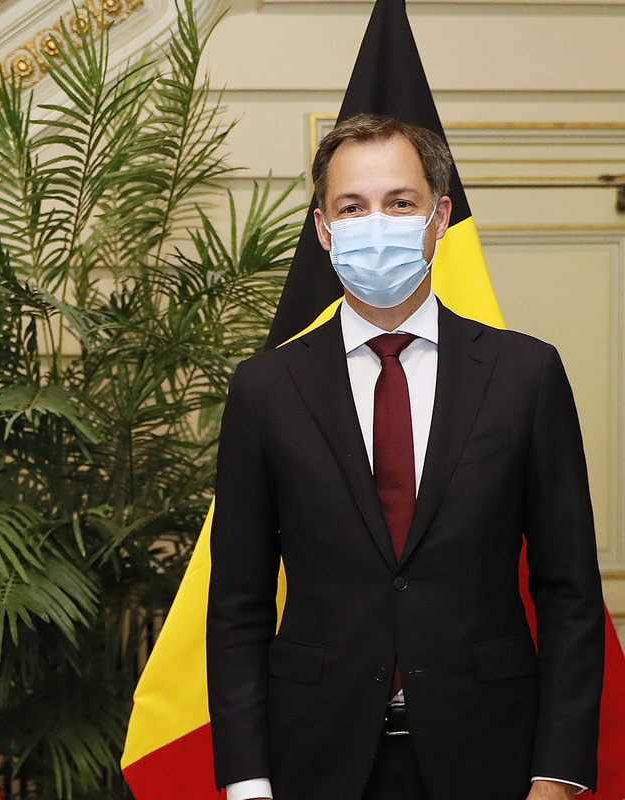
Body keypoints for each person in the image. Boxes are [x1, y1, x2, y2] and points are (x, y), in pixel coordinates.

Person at [206, 114, 604, 800]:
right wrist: (247, 783)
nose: (376, 225)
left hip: (491, 756)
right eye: (352, 208)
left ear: (439, 217)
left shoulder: (525, 375)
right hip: (315, 759)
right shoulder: (265, 389)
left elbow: (569, 593)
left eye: (399, 203)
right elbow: (237, 603)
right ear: (323, 229)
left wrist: (557, 776)